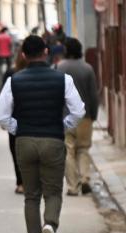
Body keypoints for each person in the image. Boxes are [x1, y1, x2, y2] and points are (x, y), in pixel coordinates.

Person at [0, 35, 85, 233]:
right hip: (53, 140)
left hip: (24, 142)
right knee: (53, 192)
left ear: (23, 55)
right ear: (46, 52)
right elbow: (78, 111)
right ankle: (50, 225)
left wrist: (18, 128)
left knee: (31, 196)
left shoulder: (14, 81)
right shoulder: (62, 79)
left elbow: (1, 116)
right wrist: (63, 126)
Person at [57, 37, 99, 196]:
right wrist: (93, 115)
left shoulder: (60, 68)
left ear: (66, 50)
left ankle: (73, 187)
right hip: (85, 116)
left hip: (66, 116)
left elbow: (56, 93)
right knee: (83, 149)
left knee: (69, 151)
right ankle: (86, 178)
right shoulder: (87, 68)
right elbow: (93, 95)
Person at [3, 50, 29, 194]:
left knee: (16, 153)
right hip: (33, 120)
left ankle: (21, 182)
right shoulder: (37, 74)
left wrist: (6, 121)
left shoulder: (11, 74)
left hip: (15, 120)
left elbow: (4, 99)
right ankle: (30, 181)